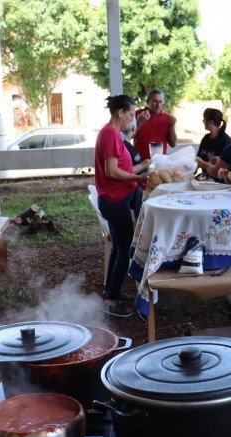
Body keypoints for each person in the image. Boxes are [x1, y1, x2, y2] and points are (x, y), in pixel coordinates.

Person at [95, 95, 149, 317]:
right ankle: (112, 300)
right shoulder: (109, 134)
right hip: (114, 200)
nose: (132, 118)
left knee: (119, 248)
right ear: (120, 113)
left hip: (117, 198)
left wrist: (142, 168)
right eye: (131, 114)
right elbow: (111, 171)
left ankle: (111, 291)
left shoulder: (113, 133)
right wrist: (136, 179)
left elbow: (122, 167)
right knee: (125, 249)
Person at [131, 88, 178, 161]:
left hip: (159, 162)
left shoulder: (168, 118)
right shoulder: (137, 114)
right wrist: (139, 123)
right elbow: (129, 137)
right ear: (148, 102)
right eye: (155, 102)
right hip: (139, 161)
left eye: (160, 101)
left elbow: (173, 144)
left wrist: (172, 127)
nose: (158, 105)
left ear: (163, 102)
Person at [195, 108, 231, 178]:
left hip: (218, 181)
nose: (202, 121)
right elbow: (197, 159)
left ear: (211, 122)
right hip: (204, 178)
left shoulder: (226, 141)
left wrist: (205, 165)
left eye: (204, 119)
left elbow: (225, 169)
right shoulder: (206, 138)